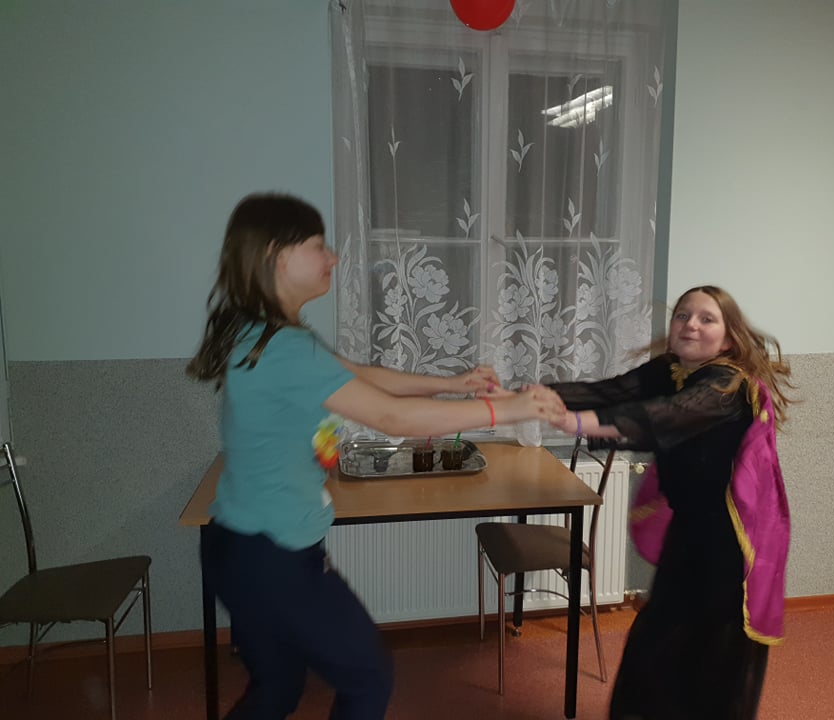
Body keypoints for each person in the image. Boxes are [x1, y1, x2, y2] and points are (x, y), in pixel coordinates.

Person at [186, 192, 565, 720]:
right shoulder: (285, 346)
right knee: (368, 679)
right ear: (277, 255)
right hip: (273, 558)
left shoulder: (260, 334)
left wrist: (451, 383)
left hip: (237, 547)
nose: (333, 256)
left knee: (278, 687)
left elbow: (360, 376)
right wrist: (505, 409)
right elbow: (393, 418)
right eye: (318, 245)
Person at [544, 285, 793, 720]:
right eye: (682, 315)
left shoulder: (728, 385)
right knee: (659, 637)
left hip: (729, 542)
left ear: (729, 339)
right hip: (690, 529)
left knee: (713, 652)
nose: (690, 325)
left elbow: (665, 416)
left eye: (706, 319)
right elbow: (611, 392)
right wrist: (536, 396)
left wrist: (577, 422)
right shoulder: (672, 369)